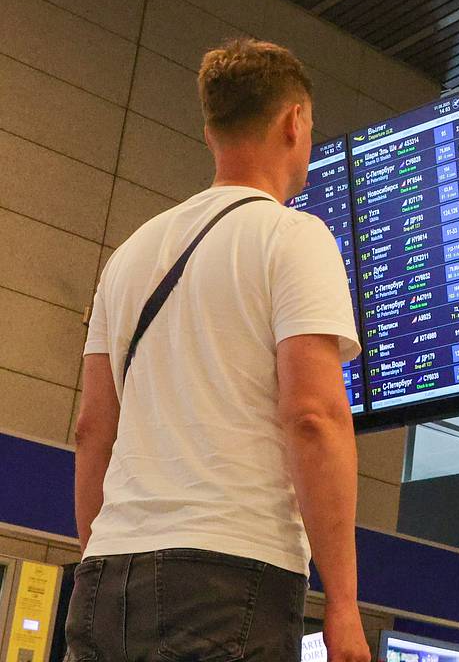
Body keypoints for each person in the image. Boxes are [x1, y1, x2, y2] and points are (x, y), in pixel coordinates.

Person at [67, 38, 371, 662]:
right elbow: (313, 416)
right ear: (295, 122)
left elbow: (93, 429)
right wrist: (343, 603)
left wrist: (103, 560)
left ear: (210, 133)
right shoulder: (293, 236)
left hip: (104, 578)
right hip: (228, 576)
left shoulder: (127, 257)